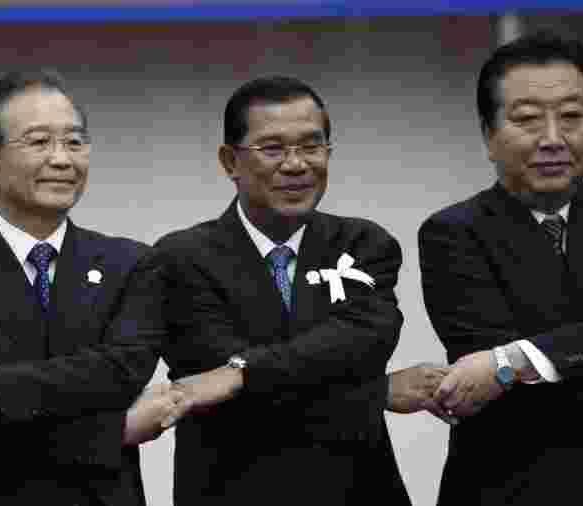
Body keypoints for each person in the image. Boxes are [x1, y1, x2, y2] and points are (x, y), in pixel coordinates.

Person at [420, 33, 583, 505]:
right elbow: (496, 387)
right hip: (508, 483)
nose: (553, 139)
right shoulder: (453, 232)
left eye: (572, 116)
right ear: (489, 135)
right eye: (527, 119)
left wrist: (510, 362)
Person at [152, 75, 434, 504]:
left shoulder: (363, 244)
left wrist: (240, 373)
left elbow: (362, 342)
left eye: (311, 146)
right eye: (273, 149)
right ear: (230, 161)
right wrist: (376, 393)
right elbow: (222, 398)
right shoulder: (179, 258)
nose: (296, 164)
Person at [0, 70, 170, 506]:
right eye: (39, 142)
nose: (62, 159)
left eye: (74, 141)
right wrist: (116, 432)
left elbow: (120, 374)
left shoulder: (132, 264)